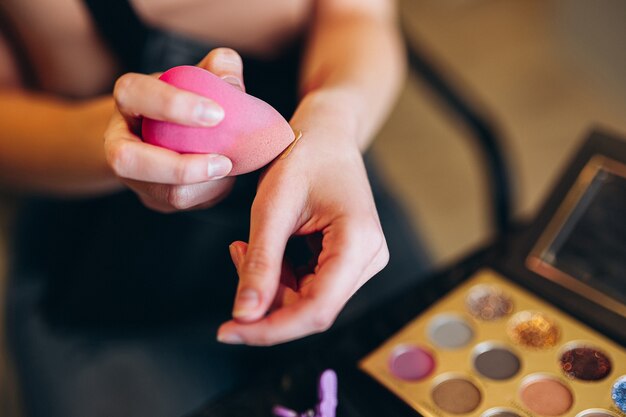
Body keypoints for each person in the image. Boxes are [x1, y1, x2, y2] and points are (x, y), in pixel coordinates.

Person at [0, 0, 430, 415]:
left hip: (327, 189)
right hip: (100, 265)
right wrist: (116, 141)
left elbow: (357, 15)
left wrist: (335, 119)